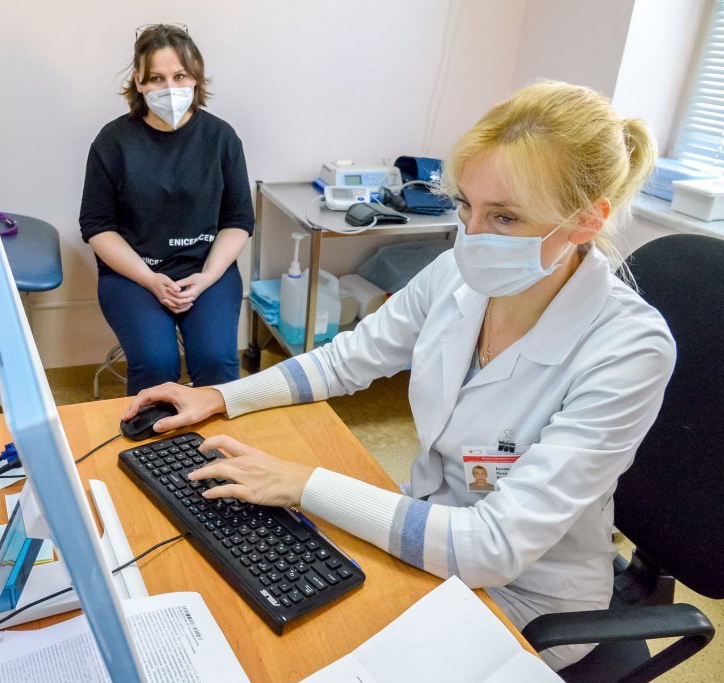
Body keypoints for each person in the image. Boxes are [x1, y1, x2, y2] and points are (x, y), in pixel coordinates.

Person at [122, 81, 674, 671]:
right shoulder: (459, 276)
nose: (472, 235)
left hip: (525, 601)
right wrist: (219, 396)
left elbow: (493, 546)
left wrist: (302, 484)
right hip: (426, 537)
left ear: (587, 221)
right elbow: (345, 359)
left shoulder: (628, 349)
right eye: (465, 205)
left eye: (505, 216)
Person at [79, 24, 254, 396]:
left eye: (180, 76)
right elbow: (96, 226)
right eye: (156, 78)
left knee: (216, 360)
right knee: (156, 363)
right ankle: (152, 434)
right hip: (134, 274)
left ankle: (218, 433)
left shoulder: (221, 138)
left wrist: (207, 277)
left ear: (196, 78)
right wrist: (149, 279)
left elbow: (238, 220)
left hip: (206, 270)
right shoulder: (113, 142)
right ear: (138, 81)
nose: (170, 88)